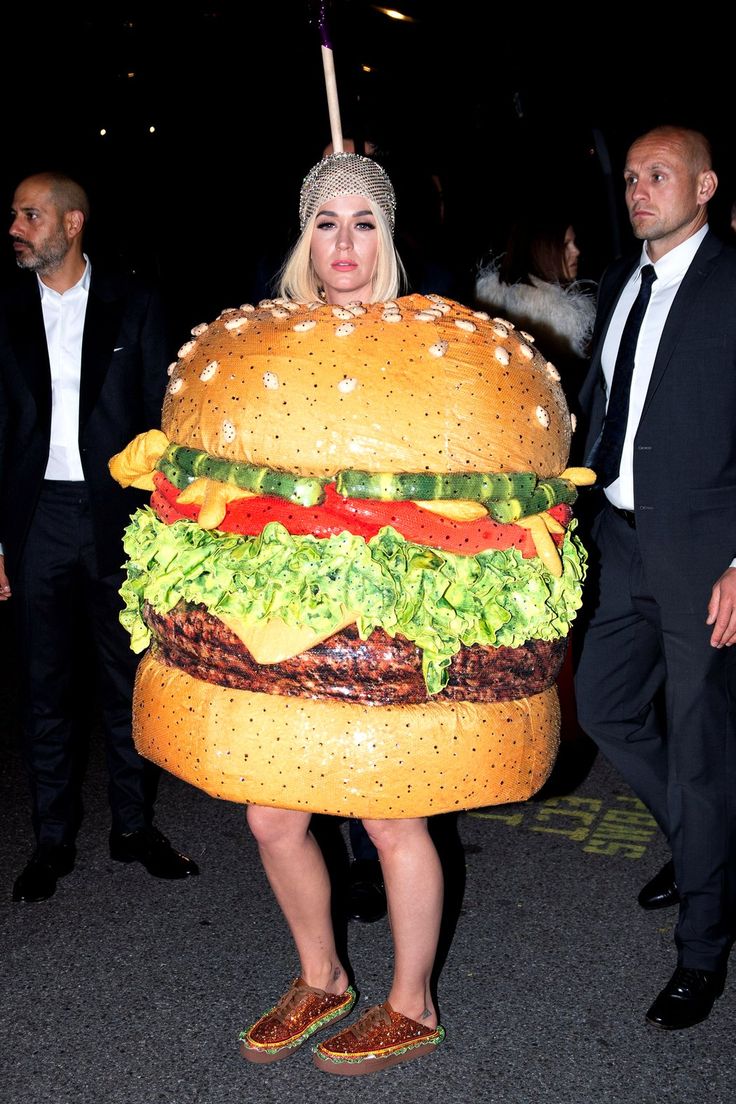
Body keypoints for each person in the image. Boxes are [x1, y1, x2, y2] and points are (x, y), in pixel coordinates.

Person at [238, 151, 445, 1074]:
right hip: (290, 610)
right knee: (273, 818)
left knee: (393, 820)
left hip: (393, 608)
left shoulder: (431, 344)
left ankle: (414, 1003)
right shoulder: (265, 342)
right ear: (305, 240)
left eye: (364, 221)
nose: (344, 241)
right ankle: (322, 977)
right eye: (327, 222)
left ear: (388, 238)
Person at [575, 126, 736, 1031]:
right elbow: (606, 404)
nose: (639, 189)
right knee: (603, 706)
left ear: (705, 185)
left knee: (705, 754)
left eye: (660, 175)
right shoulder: (620, 279)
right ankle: (701, 842)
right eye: (632, 177)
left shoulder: (730, 283)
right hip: (621, 540)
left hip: (705, 553)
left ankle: (704, 949)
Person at [0, 171, 199, 903]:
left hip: (117, 518)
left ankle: (133, 826)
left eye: (30, 214)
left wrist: (170, 528)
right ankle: (51, 840)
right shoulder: (5, 310)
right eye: (15, 214)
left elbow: (164, 418)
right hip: (36, 520)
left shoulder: (136, 303)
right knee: (45, 688)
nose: (17, 225)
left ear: (72, 223)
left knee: (128, 680)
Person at [474, 215, 596, 422]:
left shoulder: (492, 304)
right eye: (565, 245)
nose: (576, 251)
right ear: (541, 250)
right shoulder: (558, 320)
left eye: (574, 243)